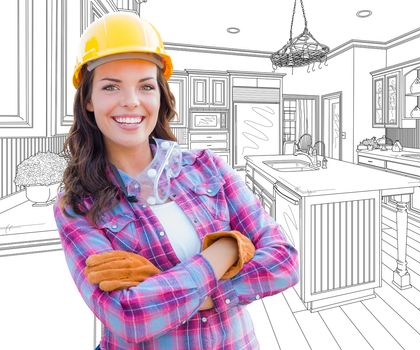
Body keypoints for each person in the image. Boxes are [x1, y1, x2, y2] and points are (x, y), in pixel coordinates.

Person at [53, 12, 299, 349]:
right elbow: (131, 317)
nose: (131, 101)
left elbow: (284, 260)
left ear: (159, 95)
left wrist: (173, 293)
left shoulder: (207, 167)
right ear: (89, 100)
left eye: (146, 86)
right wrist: (226, 250)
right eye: (111, 86)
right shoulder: (77, 206)